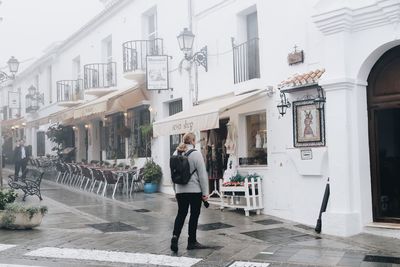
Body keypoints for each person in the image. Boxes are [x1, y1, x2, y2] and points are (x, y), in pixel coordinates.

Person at [170, 132, 209, 253]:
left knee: (181, 214)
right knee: (194, 215)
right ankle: (191, 241)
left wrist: (175, 190)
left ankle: (175, 237)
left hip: (180, 190)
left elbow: (173, 174)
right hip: (194, 191)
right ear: (193, 141)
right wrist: (205, 193)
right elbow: (202, 175)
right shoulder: (196, 154)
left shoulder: (175, 153)